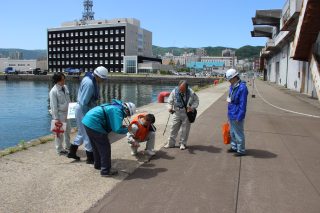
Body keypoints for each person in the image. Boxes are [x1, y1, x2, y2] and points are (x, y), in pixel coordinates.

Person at [82, 100, 136, 177]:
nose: (126, 116)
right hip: (94, 124)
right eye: (128, 114)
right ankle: (105, 171)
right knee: (105, 147)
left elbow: (111, 121)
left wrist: (122, 127)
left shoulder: (115, 106)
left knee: (96, 146)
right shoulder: (117, 111)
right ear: (127, 110)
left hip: (87, 121)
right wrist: (128, 129)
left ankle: (98, 165)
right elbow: (117, 129)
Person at [67, 66, 108, 163]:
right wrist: (89, 116)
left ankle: (72, 152)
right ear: (98, 76)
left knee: (81, 132)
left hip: (82, 108)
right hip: (83, 110)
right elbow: (84, 102)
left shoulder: (88, 78)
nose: (102, 81)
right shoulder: (90, 84)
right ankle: (90, 157)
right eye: (102, 79)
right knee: (87, 134)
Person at [164, 80, 199, 150]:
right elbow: (169, 101)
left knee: (185, 129)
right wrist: (169, 108)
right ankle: (170, 143)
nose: (181, 91)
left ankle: (182, 143)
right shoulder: (174, 91)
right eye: (180, 89)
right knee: (173, 128)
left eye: (183, 90)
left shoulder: (191, 92)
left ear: (186, 88)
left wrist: (192, 108)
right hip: (176, 112)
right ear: (178, 86)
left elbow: (196, 101)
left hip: (186, 112)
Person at [225, 68, 248, 157]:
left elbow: (243, 104)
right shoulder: (232, 86)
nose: (229, 81)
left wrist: (240, 116)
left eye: (230, 79)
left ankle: (241, 150)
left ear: (235, 77)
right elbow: (230, 97)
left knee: (238, 133)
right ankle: (234, 147)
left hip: (237, 113)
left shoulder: (242, 88)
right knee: (232, 132)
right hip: (231, 112)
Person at [49, 72, 71, 155]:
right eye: (62, 79)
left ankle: (68, 145)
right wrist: (56, 118)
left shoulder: (65, 87)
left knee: (68, 130)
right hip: (59, 114)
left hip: (67, 112)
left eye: (64, 79)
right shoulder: (53, 91)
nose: (64, 81)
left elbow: (68, 99)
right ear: (57, 81)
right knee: (59, 133)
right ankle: (59, 149)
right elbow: (53, 106)